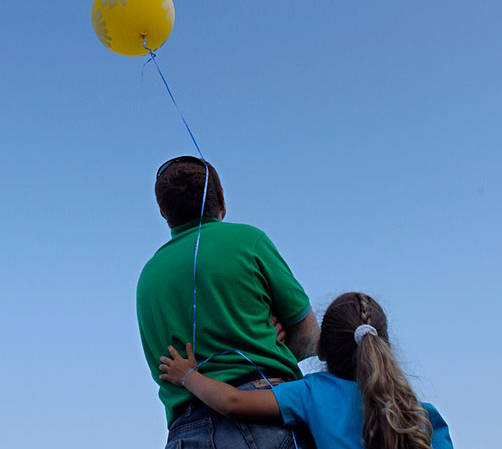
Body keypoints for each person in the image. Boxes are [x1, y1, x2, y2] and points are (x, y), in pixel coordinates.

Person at [136, 155, 319, 448]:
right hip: (264, 413)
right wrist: (273, 344)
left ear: (162, 211)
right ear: (221, 198)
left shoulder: (147, 277)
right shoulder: (249, 241)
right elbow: (310, 336)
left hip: (184, 431)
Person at [160, 291, 455, 449]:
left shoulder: (314, 392)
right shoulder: (426, 417)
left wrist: (188, 375)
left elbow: (232, 403)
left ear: (322, 349)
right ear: (385, 347)